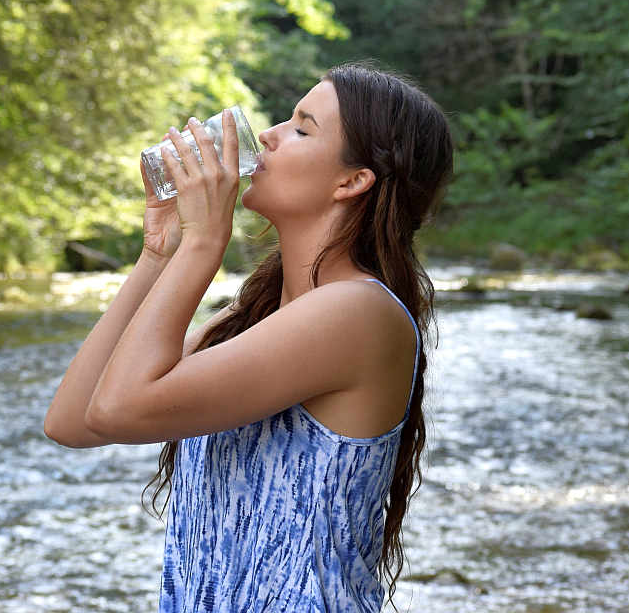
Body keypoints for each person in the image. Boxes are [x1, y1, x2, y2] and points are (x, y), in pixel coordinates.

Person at [43, 63, 454, 612]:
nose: (268, 135)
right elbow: (73, 420)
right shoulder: (252, 317)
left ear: (351, 181)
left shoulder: (357, 312)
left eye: (302, 128)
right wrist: (158, 253)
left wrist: (202, 245)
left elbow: (120, 408)